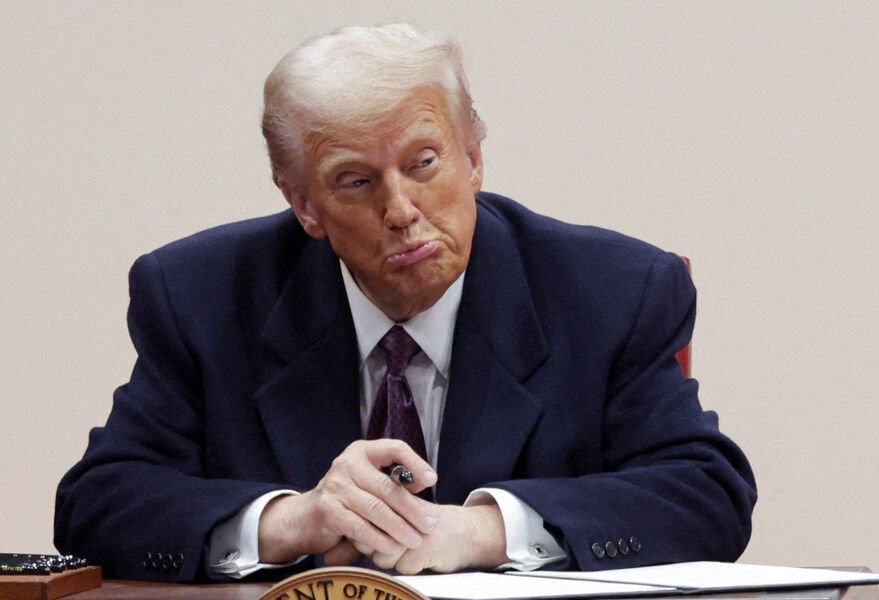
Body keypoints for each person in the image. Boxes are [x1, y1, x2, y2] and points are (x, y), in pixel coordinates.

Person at [54, 23, 756, 583]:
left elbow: (705, 495)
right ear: (305, 205)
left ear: (473, 159)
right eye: (355, 181)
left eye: (423, 164)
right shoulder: (200, 296)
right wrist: (291, 522)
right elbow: (99, 502)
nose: (401, 211)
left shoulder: (612, 290)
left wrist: (483, 531)